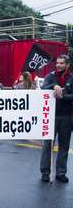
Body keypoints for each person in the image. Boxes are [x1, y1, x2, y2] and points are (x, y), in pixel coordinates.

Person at [40, 54, 73, 183]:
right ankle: (45, 172)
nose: (58, 65)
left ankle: (60, 173)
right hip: (50, 116)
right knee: (47, 145)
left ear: (68, 65)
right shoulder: (50, 76)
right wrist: (54, 86)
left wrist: (62, 96)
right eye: (57, 63)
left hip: (67, 117)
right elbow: (43, 88)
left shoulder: (72, 78)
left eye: (61, 63)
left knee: (64, 147)